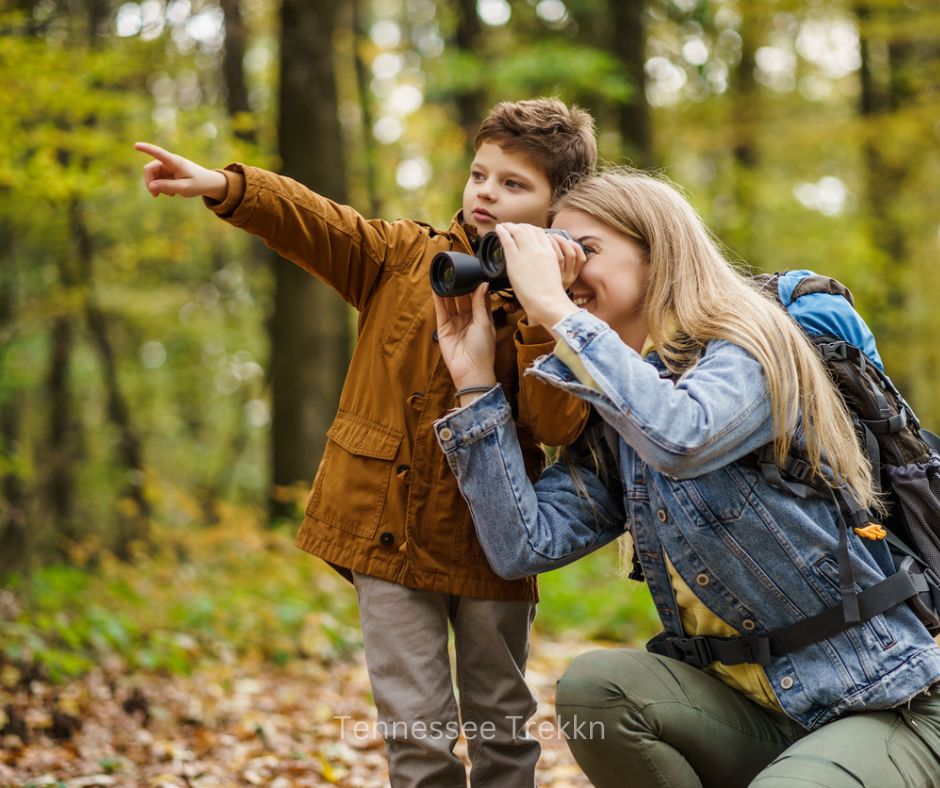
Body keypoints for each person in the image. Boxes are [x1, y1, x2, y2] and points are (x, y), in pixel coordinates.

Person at [135, 98, 597, 787]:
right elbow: (315, 220)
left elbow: (558, 426)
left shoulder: (564, 304)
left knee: (502, 726)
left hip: (493, 545)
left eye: (513, 184)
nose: (487, 194)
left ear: (558, 204)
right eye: (480, 175)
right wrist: (227, 187)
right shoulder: (403, 257)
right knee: (416, 734)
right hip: (387, 533)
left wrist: (542, 309)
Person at [431, 167, 940, 786]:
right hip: (750, 709)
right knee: (597, 689)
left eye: (585, 252)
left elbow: (683, 437)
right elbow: (523, 545)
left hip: (880, 699)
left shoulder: (752, 346)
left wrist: (556, 312)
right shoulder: (621, 414)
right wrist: (475, 383)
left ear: (659, 256)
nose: (565, 274)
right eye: (555, 254)